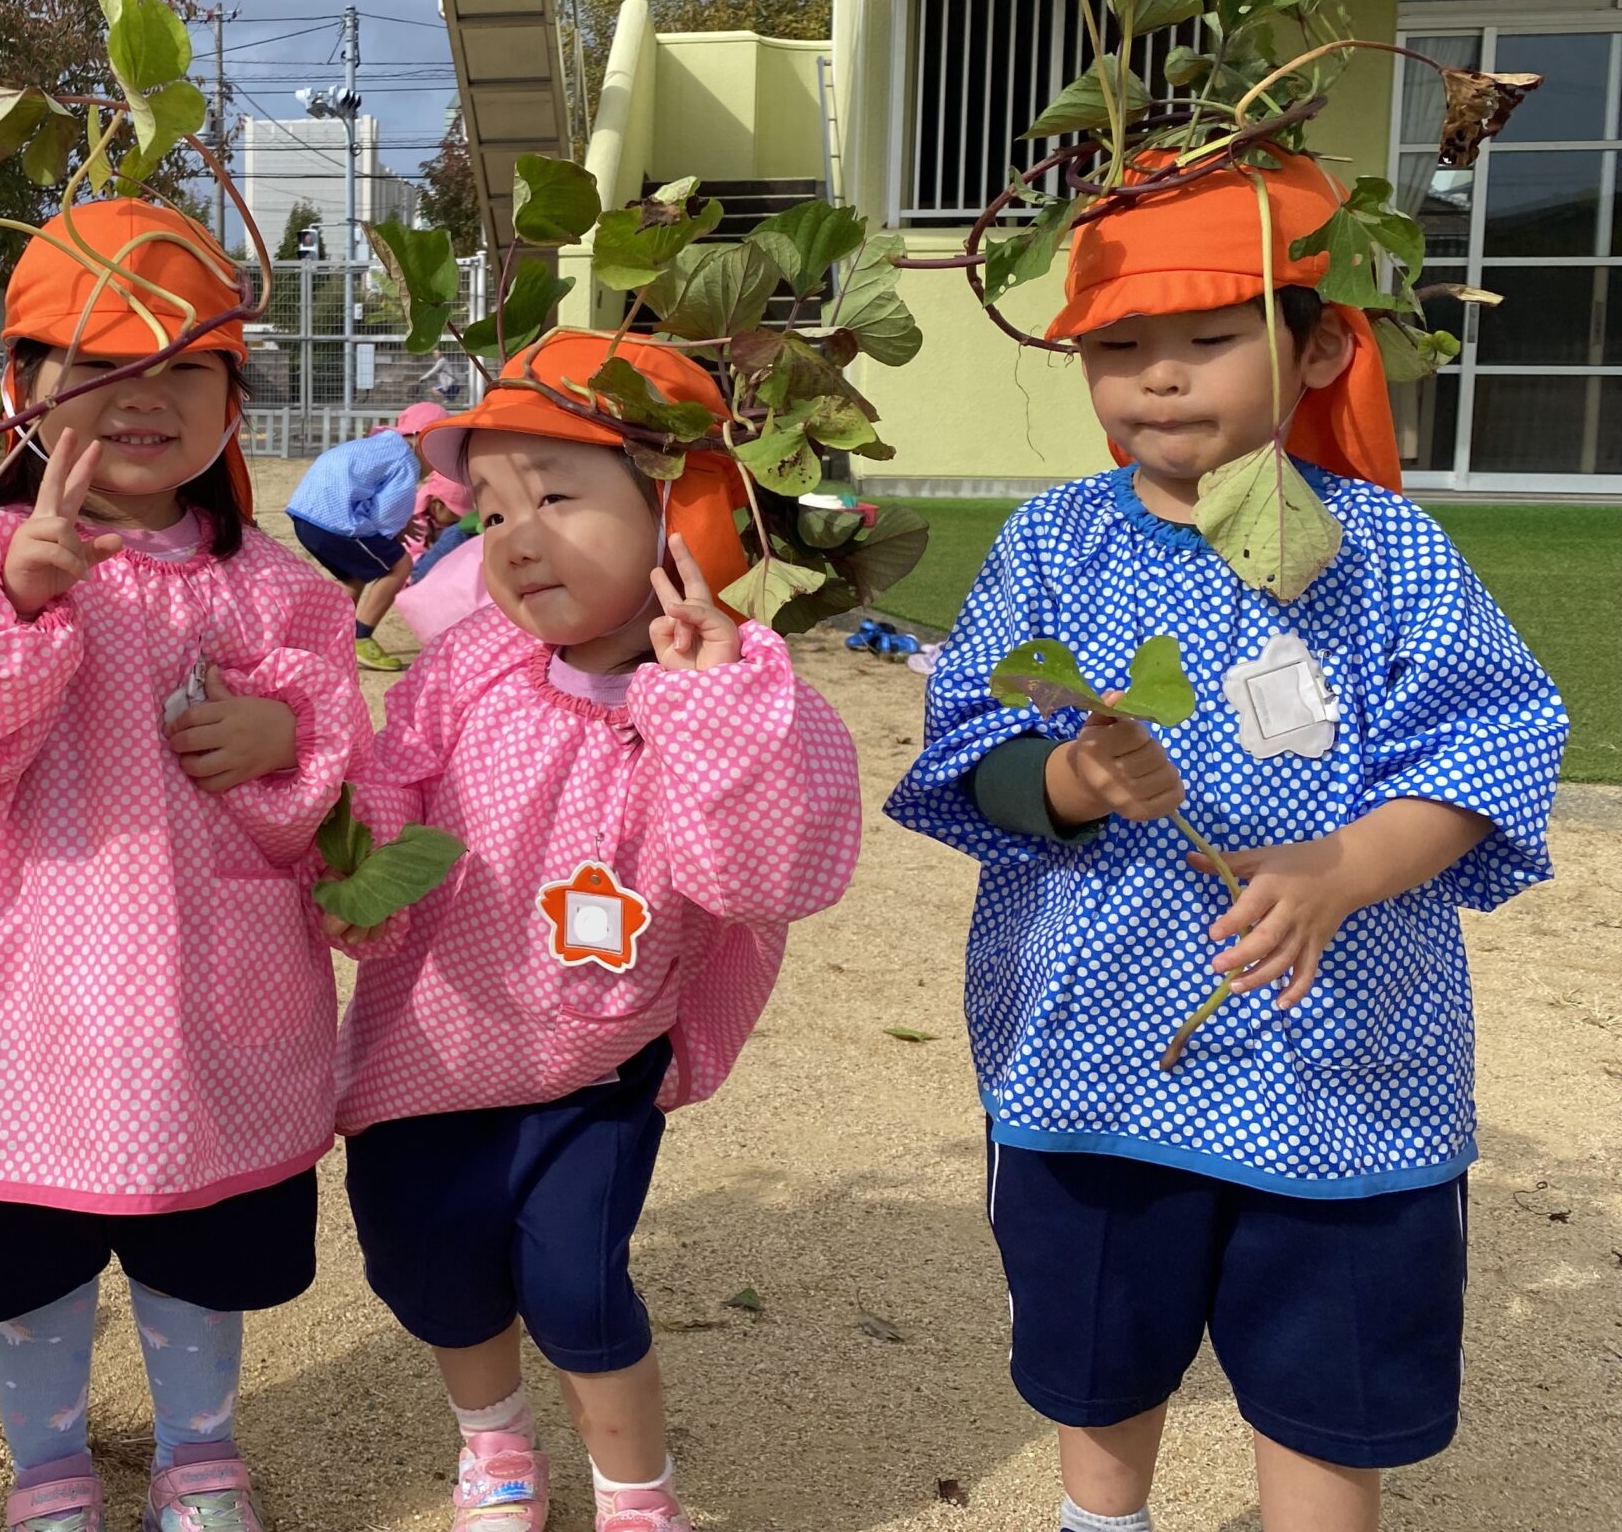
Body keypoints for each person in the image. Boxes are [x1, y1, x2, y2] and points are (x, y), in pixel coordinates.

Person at [885, 151, 1568, 1532]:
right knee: (1099, 1345)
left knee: (1331, 1375)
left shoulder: (1386, 552)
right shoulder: (1052, 544)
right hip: (1095, 1056)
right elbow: (969, 754)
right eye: (1119, 347)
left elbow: (1491, 745)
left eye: (1206, 340)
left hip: (1338, 1071)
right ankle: (1103, 1519)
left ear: (1317, 348)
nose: (1160, 378)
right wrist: (1071, 775)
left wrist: (1339, 871)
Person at [0, 197, 368, 1532]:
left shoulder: (277, 589)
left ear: (235, 394)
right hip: (16, 1010)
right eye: (103, 368)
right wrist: (14, 594)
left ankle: (200, 1452)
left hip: (206, 1003)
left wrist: (285, 735)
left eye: (188, 367)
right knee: (29, 1267)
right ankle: (52, 1467)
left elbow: (333, 792)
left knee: (201, 1250)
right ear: (20, 389)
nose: (149, 399)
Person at [333, 331, 861, 1532]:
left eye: (559, 497)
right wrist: (352, 873)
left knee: (576, 1287)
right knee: (432, 1273)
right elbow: (392, 786)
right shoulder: (472, 664)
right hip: (432, 1045)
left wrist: (705, 695)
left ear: (682, 507)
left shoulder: (748, 684)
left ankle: (635, 1494)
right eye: (495, 508)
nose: (516, 537)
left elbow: (762, 876)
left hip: (595, 1049)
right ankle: (496, 1449)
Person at [284, 402, 447, 672]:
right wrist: (392, 535)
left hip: (305, 514)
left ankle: (329, 638)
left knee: (355, 573)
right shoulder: (405, 460)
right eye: (437, 449)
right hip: (335, 521)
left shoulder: (382, 445)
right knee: (399, 564)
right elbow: (386, 515)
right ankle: (360, 637)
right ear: (422, 438)